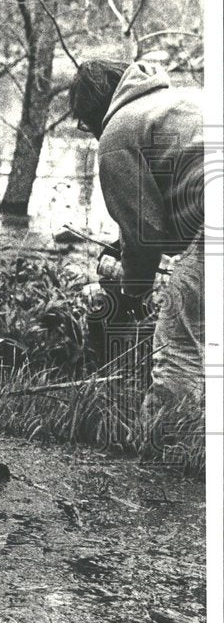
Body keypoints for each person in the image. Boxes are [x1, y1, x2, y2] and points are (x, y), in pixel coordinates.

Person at [68, 59, 205, 424]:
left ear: (92, 111)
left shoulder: (118, 132)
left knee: (179, 348)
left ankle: (165, 445)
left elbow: (146, 236)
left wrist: (129, 288)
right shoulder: (179, 100)